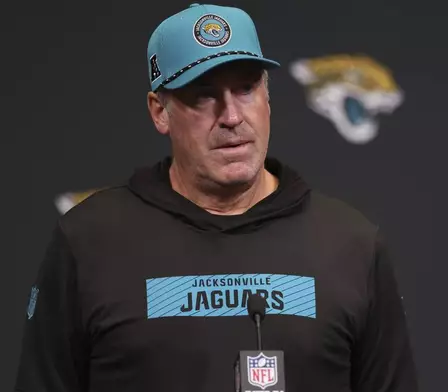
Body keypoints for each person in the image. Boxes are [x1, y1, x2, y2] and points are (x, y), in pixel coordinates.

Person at [14, 3, 418, 392]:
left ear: (267, 98)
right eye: (203, 94)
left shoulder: (350, 244)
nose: (231, 116)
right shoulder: (88, 241)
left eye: (245, 89)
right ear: (160, 111)